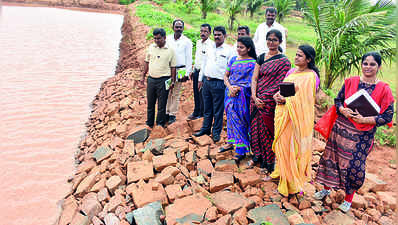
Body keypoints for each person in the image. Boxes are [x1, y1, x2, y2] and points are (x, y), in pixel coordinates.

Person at [314, 52, 394, 212]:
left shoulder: (384, 89)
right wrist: (343, 110)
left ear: (379, 67)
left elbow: (387, 116)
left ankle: (349, 199)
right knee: (331, 159)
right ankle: (326, 189)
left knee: (355, 168)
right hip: (341, 129)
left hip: (362, 136)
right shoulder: (351, 82)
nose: (368, 67)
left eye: (372, 64)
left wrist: (365, 120)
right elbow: (338, 100)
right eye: (365, 63)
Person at [265, 45, 320, 198]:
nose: (296, 58)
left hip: (296, 118)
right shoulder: (292, 72)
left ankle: (291, 184)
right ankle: (279, 173)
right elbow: (283, 88)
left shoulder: (311, 76)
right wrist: (277, 95)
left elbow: (306, 100)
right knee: (282, 146)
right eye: (296, 54)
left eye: (300, 56)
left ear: (308, 59)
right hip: (283, 114)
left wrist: (287, 100)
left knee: (292, 148)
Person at [249, 29, 291, 173]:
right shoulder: (261, 57)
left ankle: (269, 161)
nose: (271, 42)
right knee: (254, 129)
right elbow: (255, 78)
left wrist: (266, 98)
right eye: (269, 39)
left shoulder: (284, 62)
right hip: (256, 99)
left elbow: (282, 83)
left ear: (280, 42)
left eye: (274, 40)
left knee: (267, 132)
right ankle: (257, 155)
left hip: (270, 102)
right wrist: (254, 97)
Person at [219, 36, 257, 160]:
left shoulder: (253, 63)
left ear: (249, 48)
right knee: (230, 118)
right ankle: (231, 142)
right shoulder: (233, 59)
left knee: (240, 121)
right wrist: (230, 87)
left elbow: (253, 81)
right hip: (229, 94)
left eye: (242, 47)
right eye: (238, 47)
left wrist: (239, 88)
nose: (239, 49)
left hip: (242, 96)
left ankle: (241, 149)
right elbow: (226, 75)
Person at [194, 26, 234, 143]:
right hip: (207, 81)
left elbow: (230, 69)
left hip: (219, 83)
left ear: (224, 36)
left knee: (218, 110)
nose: (216, 37)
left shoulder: (229, 50)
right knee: (207, 108)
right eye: (215, 35)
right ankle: (205, 129)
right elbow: (204, 63)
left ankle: (216, 132)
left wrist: (228, 84)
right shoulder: (210, 47)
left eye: (219, 35)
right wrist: (201, 79)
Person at [142, 28, 177, 128]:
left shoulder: (170, 50)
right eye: (155, 38)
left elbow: (173, 67)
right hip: (151, 79)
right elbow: (146, 62)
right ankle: (149, 122)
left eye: (159, 38)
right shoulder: (151, 47)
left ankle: (160, 123)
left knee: (162, 104)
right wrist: (143, 76)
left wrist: (173, 81)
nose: (157, 41)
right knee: (150, 103)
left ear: (164, 38)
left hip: (164, 80)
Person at [166, 19, 193, 125]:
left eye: (180, 27)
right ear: (173, 27)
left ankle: (172, 114)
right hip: (168, 69)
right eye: (176, 27)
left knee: (176, 92)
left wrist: (187, 73)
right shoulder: (167, 39)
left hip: (180, 70)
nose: (178, 29)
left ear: (183, 28)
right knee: (167, 90)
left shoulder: (187, 41)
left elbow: (189, 58)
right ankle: (166, 112)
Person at [188, 24, 214, 120]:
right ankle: (196, 111)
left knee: (202, 94)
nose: (203, 33)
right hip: (197, 71)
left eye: (205, 31)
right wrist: (193, 70)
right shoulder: (199, 42)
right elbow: (198, 58)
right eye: (201, 31)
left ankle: (202, 114)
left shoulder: (210, 45)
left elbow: (205, 62)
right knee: (196, 92)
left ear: (209, 33)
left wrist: (200, 78)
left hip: (204, 73)